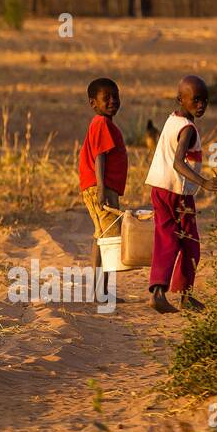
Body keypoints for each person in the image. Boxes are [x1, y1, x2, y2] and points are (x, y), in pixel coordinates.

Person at [143, 75, 217, 313]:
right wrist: (204, 183)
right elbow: (178, 163)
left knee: (166, 240)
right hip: (178, 193)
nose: (201, 105)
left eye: (205, 100)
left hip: (159, 188)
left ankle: (158, 292)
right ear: (180, 99)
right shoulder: (187, 129)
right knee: (191, 243)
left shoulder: (173, 119)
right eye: (196, 100)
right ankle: (185, 295)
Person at [77, 77, 128, 294]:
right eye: (106, 98)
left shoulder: (105, 124)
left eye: (115, 97)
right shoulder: (101, 123)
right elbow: (100, 157)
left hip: (103, 187)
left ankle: (100, 290)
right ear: (93, 103)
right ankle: (102, 291)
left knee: (102, 238)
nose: (112, 101)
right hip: (102, 188)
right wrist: (101, 189)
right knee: (109, 240)